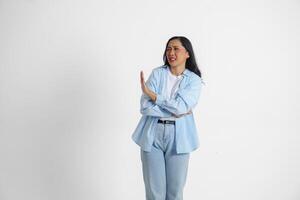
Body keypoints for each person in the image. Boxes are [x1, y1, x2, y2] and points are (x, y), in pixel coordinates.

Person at [131, 36, 204, 200]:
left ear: (187, 53)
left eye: (176, 49)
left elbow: (181, 106)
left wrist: (154, 96)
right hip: (152, 134)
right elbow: (145, 106)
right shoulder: (157, 74)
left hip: (180, 138)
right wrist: (174, 110)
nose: (171, 52)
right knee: (154, 193)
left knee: (175, 193)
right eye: (168, 48)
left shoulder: (194, 80)